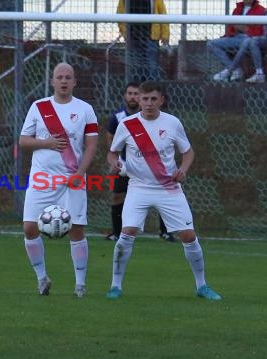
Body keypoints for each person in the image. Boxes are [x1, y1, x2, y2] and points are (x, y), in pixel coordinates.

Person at [105, 81, 222, 301]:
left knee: (189, 235)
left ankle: (202, 285)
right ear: (138, 99)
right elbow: (112, 153)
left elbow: (188, 153)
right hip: (138, 187)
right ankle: (115, 286)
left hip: (168, 188)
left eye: (153, 99)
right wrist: (115, 164)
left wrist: (183, 169)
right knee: (127, 233)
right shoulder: (127, 125)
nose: (148, 103)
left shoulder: (172, 123)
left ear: (161, 100)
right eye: (144, 98)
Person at [19, 62, 98, 298]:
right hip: (42, 179)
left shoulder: (85, 109)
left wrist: (79, 174)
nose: (63, 81)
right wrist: (47, 143)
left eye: (68, 77)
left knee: (76, 230)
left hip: (72, 178)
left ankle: (80, 285)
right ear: (52, 81)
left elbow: (92, 144)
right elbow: (23, 141)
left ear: (75, 82)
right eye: (59, 77)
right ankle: (42, 279)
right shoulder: (38, 107)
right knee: (29, 227)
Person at [105, 82, 176, 243]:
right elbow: (110, 139)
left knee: (163, 197)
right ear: (125, 96)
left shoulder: (156, 118)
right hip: (126, 166)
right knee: (117, 197)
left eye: (136, 94)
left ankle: (165, 232)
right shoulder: (117, 117)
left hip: (152, 166)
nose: (133, 97)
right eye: (129, 93)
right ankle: (117, 232)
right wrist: (115, 162)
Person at [207, 0, 266, 83]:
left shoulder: (261, 10)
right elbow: (231, 26)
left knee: (247, 42)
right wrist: (235, 29)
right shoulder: (237, 9)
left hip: (248, 37)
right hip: (236, 37)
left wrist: (247, 30)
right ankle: (235, 70)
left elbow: (260, 33)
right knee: (211, 44)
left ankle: (229, 70)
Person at [117, 0, 170, 81]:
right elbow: (120, 14)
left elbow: (162, 14)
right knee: (135, 68)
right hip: (133, 37)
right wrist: (125, 33)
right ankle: (137, 90)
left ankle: (151, 90)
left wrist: (165, 35)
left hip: (151, 37)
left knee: (151, 67)